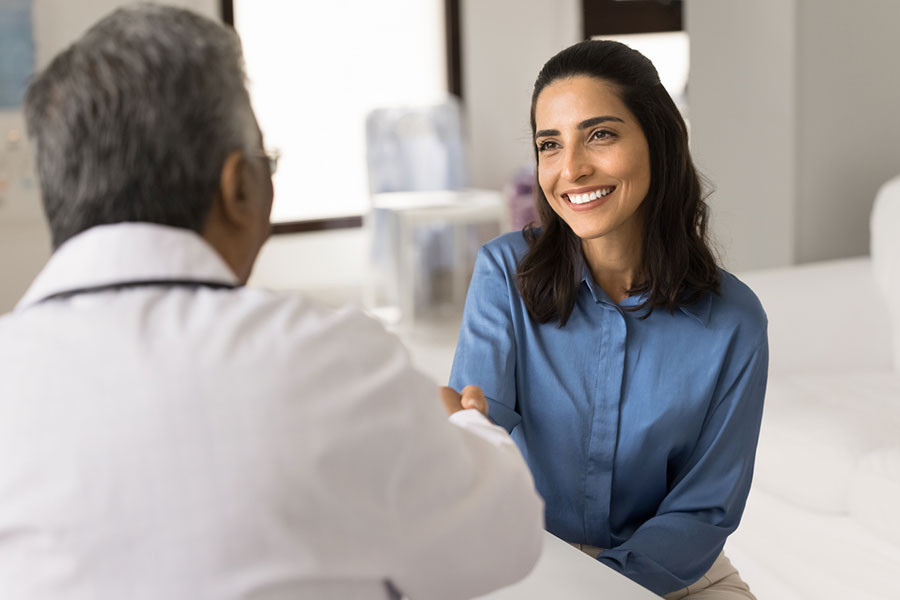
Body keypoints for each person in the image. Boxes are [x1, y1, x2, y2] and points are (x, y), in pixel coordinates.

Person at [0, 5, 544, 599]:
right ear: (238, 188)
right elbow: (508, 534)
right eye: (268, 162)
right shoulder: (327, 358)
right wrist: (467, 424)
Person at [449, 40, 767, 599]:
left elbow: (702, 511)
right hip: (533, 565)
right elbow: (480, 428)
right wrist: (458, 433)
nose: (571, 169)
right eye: (551, 144)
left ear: (659, 142)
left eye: (600, 134)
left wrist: (603, 588)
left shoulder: (734, 323)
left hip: (673, 575)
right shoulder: (505, 272)